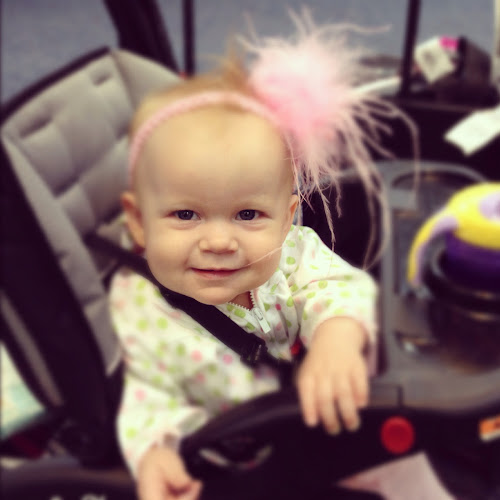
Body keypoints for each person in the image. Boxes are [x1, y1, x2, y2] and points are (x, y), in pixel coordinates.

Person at [110, 10, 454, 500]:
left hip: (325, 415)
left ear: (286, 216)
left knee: (408, 471)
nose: (219, 241)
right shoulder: (139, 300)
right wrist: (154, 450)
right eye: (186, 215)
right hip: (240, 460)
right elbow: (149, 389)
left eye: (248, 215)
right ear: (138, 220)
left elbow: (337, 287)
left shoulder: (287, 255)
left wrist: (336, 339)